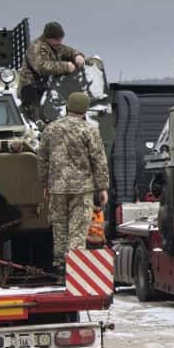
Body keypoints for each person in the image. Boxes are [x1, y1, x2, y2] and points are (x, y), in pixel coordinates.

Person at [35, 92, 109, 270]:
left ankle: (60, 266)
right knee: (78, 229)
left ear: (67, 108)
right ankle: (74, 267)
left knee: (60, 229)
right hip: (82, 189)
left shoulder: (51, 129)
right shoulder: (89, 130)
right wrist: (103, 188)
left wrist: (45, 184)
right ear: (84, 111)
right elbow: (98, 160)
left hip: (57, 188)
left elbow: (42, 159)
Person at [19, 21, 87, 118]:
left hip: (50, 86)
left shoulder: (55, 46)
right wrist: (65, 66)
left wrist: (77, 56)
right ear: (48, 38)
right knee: (38, 114)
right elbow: (42, 67)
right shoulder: (36, 47)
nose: (59, 42)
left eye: (60, 39)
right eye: (56, 39)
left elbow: (69, 51)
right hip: (32, 88)